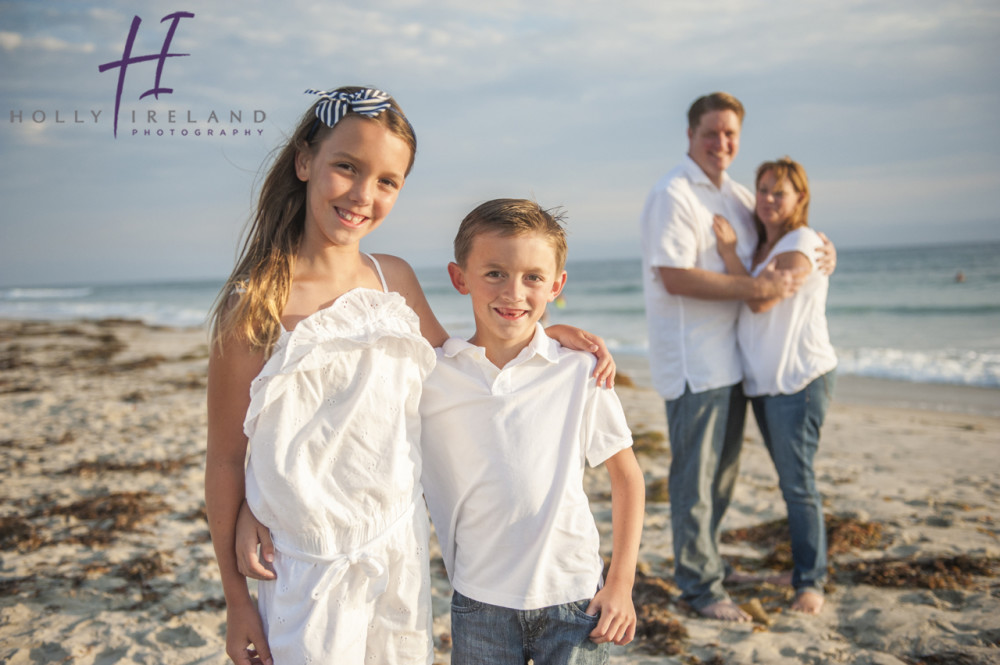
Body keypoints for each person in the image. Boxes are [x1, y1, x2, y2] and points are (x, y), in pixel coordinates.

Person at [206, 87, 616, 665]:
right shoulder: (256, 306)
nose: (361, 195)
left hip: (398, 551)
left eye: (387, 181)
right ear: (305, 161)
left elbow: (459, 367)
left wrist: (541, 338)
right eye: (346, 167)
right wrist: (236, 597)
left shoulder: (391, 279)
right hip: (304, 563)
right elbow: (225, 455)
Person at [638, 92, 836, 622]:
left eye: (730, 134)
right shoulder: (674, 195)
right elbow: (674, 276)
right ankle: (700, 589)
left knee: (720, 481)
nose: (721, 142)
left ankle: (708, 569)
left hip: (735, 366)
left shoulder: (738, 194)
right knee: (694, 483)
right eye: (711, 132)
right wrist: (752, 288)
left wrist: (822, 249)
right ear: (690, 135)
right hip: (693, 363)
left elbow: (779, 236)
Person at [420, 199, 645, 664]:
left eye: (533, 278)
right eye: (494, 273)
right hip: (478, 600)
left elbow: (627, 477)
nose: (514, 292)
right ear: (459, 277)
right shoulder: (433, 375)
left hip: (575, 597)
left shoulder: (580, 371)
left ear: (556, 284)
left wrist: (620, 582)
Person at [712, 158, 837, 615]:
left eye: (778, 192)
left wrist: (728, 255)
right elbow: (761, 285)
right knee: (790, 483)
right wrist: (750, 269)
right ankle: (804, 567)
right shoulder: (771, 246)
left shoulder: (803, 243)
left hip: (799, 381)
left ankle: (811, 582)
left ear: (800, 198)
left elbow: (761, 301)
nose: (766, 199)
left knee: (798, 484)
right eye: (762, 189)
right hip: (766, 385)